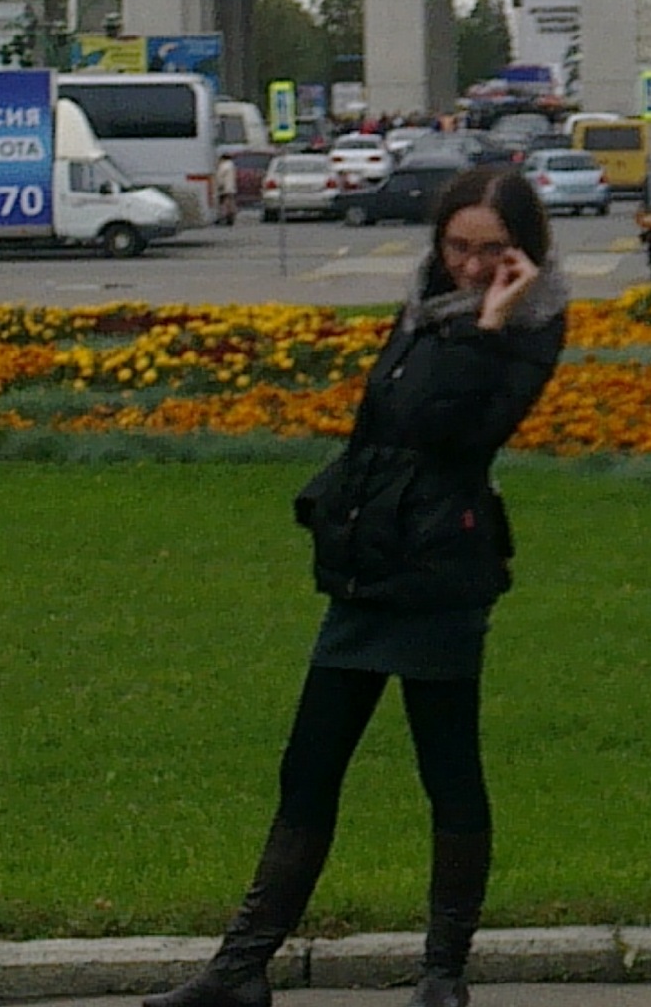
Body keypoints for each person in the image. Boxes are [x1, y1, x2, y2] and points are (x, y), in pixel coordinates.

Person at [149, 165, 567, 1007]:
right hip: (371, 563)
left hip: (442, 575)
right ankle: (240, 968)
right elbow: (380, 420)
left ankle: (443, 974)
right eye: (457, 246)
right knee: (309, 765)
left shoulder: (529, 324)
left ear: (522, 251)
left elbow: (454, 434)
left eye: (490, 250)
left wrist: (487, 326)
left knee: (447, 770)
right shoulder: (423, 306)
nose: (470, 266)